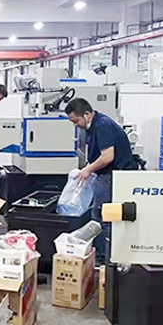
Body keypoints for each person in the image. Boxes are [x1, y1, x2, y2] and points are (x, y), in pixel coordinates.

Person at [65, 98, 138, 263]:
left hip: (114, 175)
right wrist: (88, 167)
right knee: (98, 215)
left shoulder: (102, 126)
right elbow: (97, 154)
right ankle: (102, 256)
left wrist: (88, 170)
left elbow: (107, 157)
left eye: (76, 121)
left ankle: (106, 259)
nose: (76, 125)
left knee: (102, 216)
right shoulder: (93, 127)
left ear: (87, 114)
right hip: (107, 174)